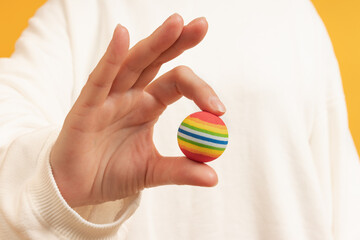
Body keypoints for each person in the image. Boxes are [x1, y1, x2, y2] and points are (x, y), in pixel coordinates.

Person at [0, 0, 359, 239]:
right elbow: (8, 113)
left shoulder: (294, 13)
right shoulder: (77, 9)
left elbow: (343, 190)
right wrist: (54, 185)